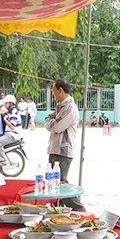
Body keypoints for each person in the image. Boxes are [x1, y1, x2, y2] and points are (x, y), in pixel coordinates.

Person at [45, 79, 85, 211]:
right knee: (53, 185)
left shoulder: (69, 107)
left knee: (61, 185)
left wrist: (51, 121)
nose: (53, 94)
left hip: (63, 151)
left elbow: (55, 126)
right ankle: (57, 213)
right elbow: (49, 121)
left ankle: (80, 210)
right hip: (55, 149)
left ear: (60, 90)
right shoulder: (60, 106)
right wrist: (50, 121)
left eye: (54, 91)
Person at [0, 95, 22, 167]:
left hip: (13, 135)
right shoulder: (9, 112)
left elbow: (12, 126)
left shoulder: (14, 112)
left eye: (6, 103)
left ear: (11, 103)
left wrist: (5, 119)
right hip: (8, 134)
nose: (5, 105)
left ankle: (2, 160)